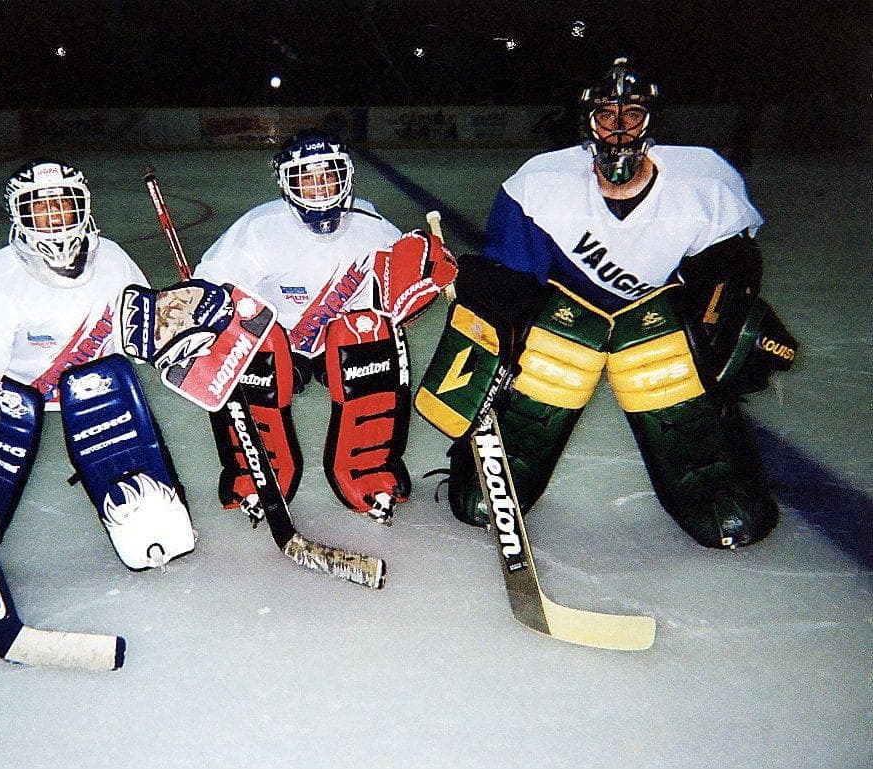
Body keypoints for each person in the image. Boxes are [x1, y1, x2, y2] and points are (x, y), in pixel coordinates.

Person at [415, 58, 797, 549]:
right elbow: (510, 281)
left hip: (655, 325)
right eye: (606, 117)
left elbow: (729, 269)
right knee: (553, 360)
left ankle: (712, 474)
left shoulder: (705, 181)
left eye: (631, 115)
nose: (618, 131)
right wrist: (491, 317)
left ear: (651, 121)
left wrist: (721, 327)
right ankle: (495, 461)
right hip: (567, 323)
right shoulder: (538, 183)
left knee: (667, 359)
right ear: (587, 123)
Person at [0, 159, 194, 588]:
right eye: (39, 208)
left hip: (98, 391)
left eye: (63, 206)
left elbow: (142, 336)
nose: (53, 220)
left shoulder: (113, 261)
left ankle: (142, 508)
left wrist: (184, 326)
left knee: (105, 396)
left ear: (83, 208)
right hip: (10, 396)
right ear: (18, 216)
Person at [194, 128, 455, 525]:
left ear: (345, 176)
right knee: (252, 352)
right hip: (279, 343)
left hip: (344, 344)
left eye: (328, 175)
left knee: (375, 337)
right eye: (306, 177)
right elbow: (210, 284)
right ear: (286, 183)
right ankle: (256, 475)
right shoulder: (260, 228)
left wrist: (427, 272)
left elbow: (400, 287)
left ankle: (369, 471)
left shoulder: (370, 223)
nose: (319, 188)